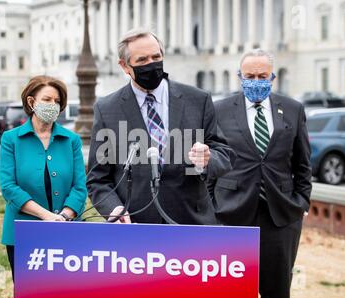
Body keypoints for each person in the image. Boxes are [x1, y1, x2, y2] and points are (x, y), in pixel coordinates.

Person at [87, 28, 235, 225]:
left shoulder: (198, 100)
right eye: (142, 60)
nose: (151, 64)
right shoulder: (107, 109)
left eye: (156, 57)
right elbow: (98, 178)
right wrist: (114, 209)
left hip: (191, 224)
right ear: (124, 66)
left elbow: (224, 154)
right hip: (136, 227)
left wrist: (208, 159)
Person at [211, 49, 312, 298]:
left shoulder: (292, 109)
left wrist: (301, 202)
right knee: (233, 292)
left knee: (277, 291)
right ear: (239, 76)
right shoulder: (218, 110)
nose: (256, 81)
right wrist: (210, 206)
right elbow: (210, 162)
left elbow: (303, 163)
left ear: (272, 77)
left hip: (280, 216)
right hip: (231, 215)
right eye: (250, 75)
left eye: (262, 76)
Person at [0, 75, 88, 280]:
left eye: (57, 101)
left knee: (67, 289)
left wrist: (64, 217)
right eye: (47, 99)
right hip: (23, 232)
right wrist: (46, 216)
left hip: (68, 230)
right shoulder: (11, 139)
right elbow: (9, 187)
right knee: (31, 289)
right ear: (32, 102)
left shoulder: (71, 140)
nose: (53, 105)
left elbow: (79, 187)